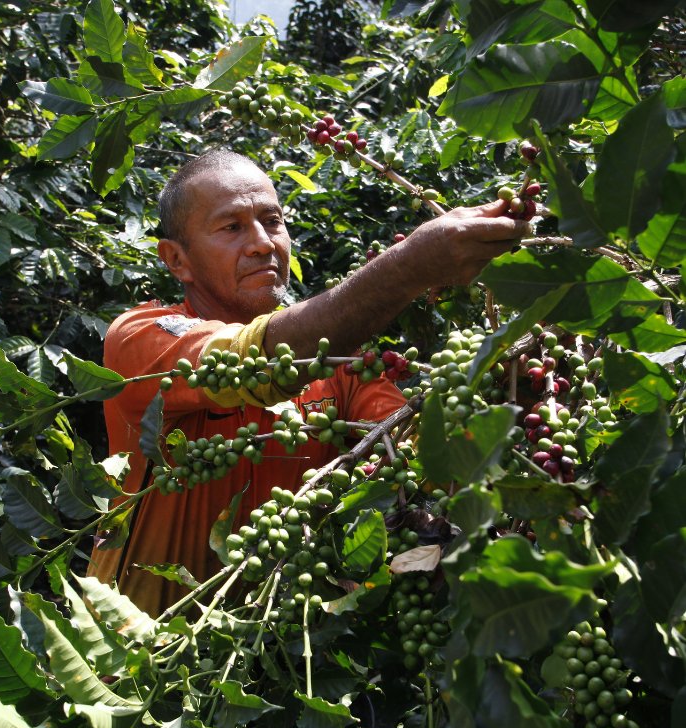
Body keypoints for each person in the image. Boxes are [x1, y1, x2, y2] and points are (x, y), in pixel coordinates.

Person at [87, 149, 531, 616]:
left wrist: (513, 401)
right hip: (130, 658)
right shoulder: (140, 339)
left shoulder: (342, 366)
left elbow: (420, 457)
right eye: (232, 227)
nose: (262, 243)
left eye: (272, 221)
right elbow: (254, 360)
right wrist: (409, 267)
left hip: (273, 657)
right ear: (178, 260)